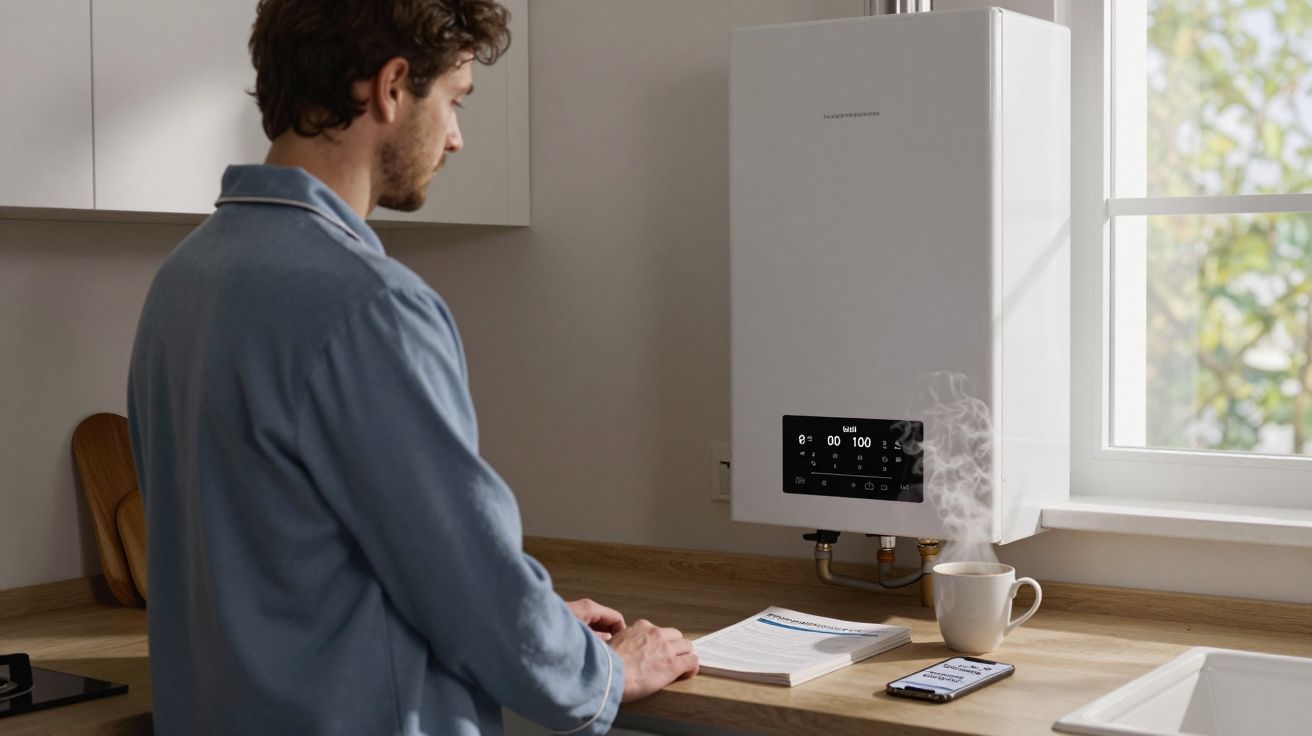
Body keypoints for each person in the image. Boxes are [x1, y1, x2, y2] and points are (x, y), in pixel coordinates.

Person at [126, 1, 698, 734]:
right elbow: (471, 585)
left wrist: (540, 621)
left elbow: (297, 561)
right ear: (392, 87)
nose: (456, 138)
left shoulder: (183, 280)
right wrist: (606, 670)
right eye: (454, 100)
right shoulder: (370, 305)